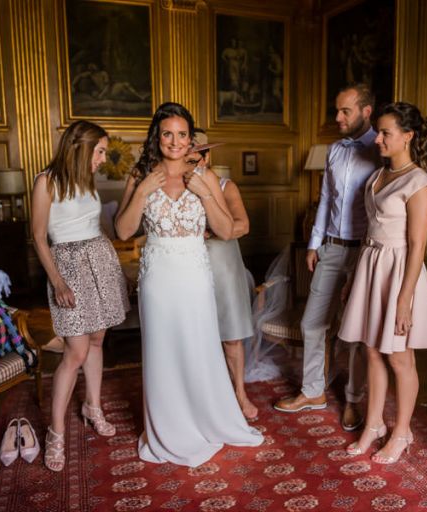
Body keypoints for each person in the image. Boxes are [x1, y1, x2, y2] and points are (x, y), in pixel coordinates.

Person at [114, 102, 263, 467]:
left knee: (198, 347)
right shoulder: (141, 174)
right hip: (158, 278)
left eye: (182, 134)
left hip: (195, 275)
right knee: (163, 351)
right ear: (157, 137)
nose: (175, 141)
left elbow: (227, 230)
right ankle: (167, 427)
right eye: (168, 133)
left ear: (191, 138)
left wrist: (205, 192)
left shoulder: (205, 176)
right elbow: (122, 230)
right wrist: (142, 191)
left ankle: (206, 417)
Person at [338, 101, 427, 464]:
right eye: (378, 131)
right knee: (370, 349)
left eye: (385, 133)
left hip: (400, 272)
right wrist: (353, 278)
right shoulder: (376, 176)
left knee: (399, 357)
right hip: (370, 265)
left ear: (408, 136)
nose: (377, 139)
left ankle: (402, 432)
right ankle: (374, 424)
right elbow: (369, 233)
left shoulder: (419, 183)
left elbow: (417, 246)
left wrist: (404, 299)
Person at [273, 84, 378, 432]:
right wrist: (314, 244)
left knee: (354, 333)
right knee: (311, 323)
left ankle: (353, 400)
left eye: (345, 111)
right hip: (331, 248)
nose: (337, 118)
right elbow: (325, 199)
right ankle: (313, 391)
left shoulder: (382, 150)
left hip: (364, 251)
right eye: (337, 110)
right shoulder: (334, 150)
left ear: (366, 111)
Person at [31, 120, 130, 472]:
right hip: (67, 266)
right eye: (99, 151)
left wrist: (111, 261)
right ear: (79, 147)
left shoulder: (87, 180)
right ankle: (55, 434)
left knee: (99, 339)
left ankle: (93, 407)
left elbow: (95, 225)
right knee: (76, 349)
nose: (103, 159)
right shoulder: (47, 181)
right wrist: (57, 281)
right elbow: (40, 237)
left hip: (99, 260)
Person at [187, 132, 259, 421]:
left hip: (223, 263)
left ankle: (240, 394)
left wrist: (216, 230)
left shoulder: (225, 185)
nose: (195, 160)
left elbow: (243, 224)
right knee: (194, 334)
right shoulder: (176, 186)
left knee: (231, 335)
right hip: (191, 265)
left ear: (208, 157)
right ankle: (201, 397)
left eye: (200, 154)